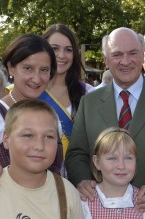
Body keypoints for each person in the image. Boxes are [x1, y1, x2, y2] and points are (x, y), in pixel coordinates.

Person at [65, 27, 145, 215]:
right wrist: (82, 181)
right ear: (106, 60)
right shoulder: (89, 102)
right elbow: (76, 154)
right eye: (117, 54)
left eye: (133, 53)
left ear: (142, 56)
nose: (125, 61)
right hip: (99, 218)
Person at [0, 33, 62, 193]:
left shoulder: (52, 116)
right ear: (11, 67)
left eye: (44, 70)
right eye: (28, 68)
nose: (36, 78)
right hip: (4, 214)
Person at [40, 23, 94, 157]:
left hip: (77, 174)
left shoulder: (88, 93)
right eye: (54, 49)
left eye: (68, 50)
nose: (61, 55)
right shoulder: (30, 91)